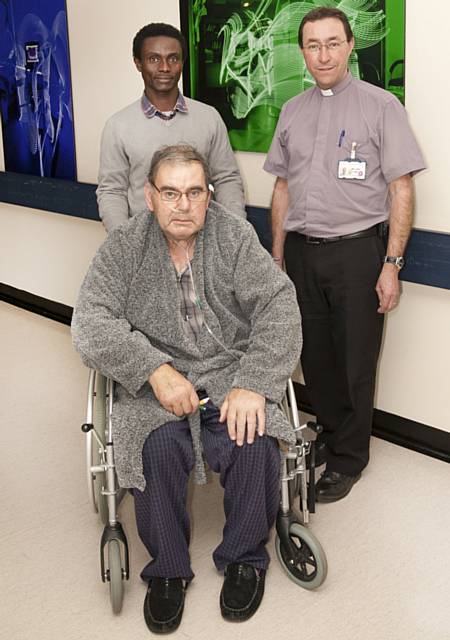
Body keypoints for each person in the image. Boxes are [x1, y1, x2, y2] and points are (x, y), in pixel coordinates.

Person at [72, 145, 301, 632]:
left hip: (228, 369)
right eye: (170, 192)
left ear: (208, 195)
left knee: (254, 440)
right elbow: (89, 321)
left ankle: (244, 557)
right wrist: (153, 369)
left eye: (194, 192)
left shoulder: (234, 237)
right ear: (149, 197)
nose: (182, 204)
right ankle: (168, 572)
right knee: (156, 449)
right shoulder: (123, 248)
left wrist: (254, 382)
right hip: (155, 377)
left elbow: (280, 306)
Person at [264, 6, 426, 503]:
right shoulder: (292, 110)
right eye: (313, 46)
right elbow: (282, 187)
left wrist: (391, 264)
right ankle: (329, 434)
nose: (323, 54)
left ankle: (350, 458)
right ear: (303, 53)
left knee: (356, 359)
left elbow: (401, 189)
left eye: (333, 43)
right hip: (303, 256)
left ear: (351, 45)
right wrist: (276, 256)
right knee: (315, 356)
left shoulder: (381, 108)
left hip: (358, 254)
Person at [96, 22, 246, 231]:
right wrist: (124, 243)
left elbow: (227, 179)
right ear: (138, 63)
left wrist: (234, 232)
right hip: (143, 245)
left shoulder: (209, 117)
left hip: (202, 243)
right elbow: (112, 191)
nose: (165, 67)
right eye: (154, 59)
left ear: (182, 62)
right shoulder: (118, 126)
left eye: (173, 58)